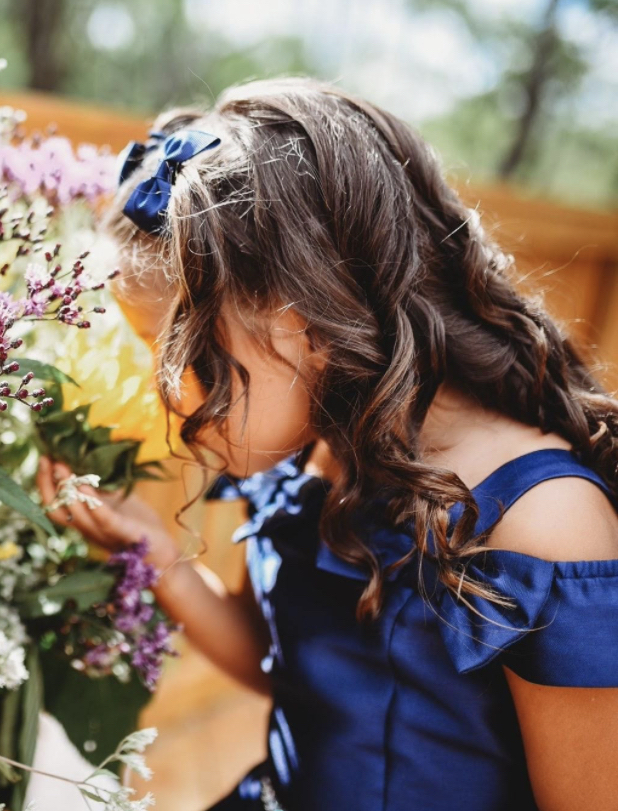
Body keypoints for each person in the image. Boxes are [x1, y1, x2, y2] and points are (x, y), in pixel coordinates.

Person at [37, 76, 618, 811]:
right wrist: (163, 562)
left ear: (299, 320)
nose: (162, 391)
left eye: (168, 348)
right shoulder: (318, 450)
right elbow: (285, 664)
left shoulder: (543, 523)